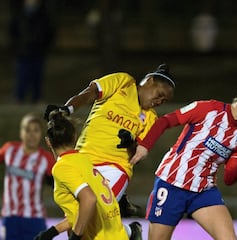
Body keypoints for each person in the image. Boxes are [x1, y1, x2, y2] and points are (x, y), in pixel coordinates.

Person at [130, 74, 237, 240]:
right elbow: (165, 121)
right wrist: (145, 146)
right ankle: (131, 233)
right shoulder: (207, 109)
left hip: (203, 191)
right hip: (172, 183)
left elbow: (229, 179)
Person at [43, 63, 176, 240]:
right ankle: (128, 230)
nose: (159, 101)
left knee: (89, 213)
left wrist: (130, 143)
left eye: (164, 101)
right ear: (149, 81)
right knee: (78, 218)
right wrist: (67, 109)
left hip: (114, 168)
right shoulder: (123, 82)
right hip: (83, 160)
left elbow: (138, 154)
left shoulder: (150, 117)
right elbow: (89, 93)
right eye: (160, 95)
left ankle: (127, 227)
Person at [34, 111, 128, 240]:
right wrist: (52, 232)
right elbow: (80, 212)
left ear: (48, 142)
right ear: (74, 137)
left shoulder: (62, 167)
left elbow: (89, 199)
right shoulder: (84, 160)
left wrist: (75, 237)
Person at [0, 113, 56, 240]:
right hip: (10, 218)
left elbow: (60, 182)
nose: (31, 134)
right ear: (21, 133)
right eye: (27, 130)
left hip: (35, 218)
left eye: (35, 130)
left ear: (41, 134)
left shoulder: (46, 158)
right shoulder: (9, 150)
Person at [8, 0, 55, 104]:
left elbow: (49, 33)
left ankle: (37, 98)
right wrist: (17, 47)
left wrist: (44, 46)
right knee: (22, 76)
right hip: (23, 52)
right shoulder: (19, 15)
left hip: (38, 52)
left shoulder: (43, 16)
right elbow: (13, 32)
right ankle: (19, 98)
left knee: (37, 77)